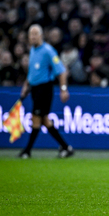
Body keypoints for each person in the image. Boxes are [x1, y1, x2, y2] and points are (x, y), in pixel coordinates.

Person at [19, 24, 74, 159]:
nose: (32, 37)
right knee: (45, 120)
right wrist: (26, 85)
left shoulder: (48, 51)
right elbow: (32, 72)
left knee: (36, 119)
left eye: (35, 34)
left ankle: (27, 151)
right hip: (35, 89)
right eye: (30, 34)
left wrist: (63, 89)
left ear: (41, 35)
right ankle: (66, 147)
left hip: (45, 88)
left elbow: (61, 72)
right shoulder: (33, 50)